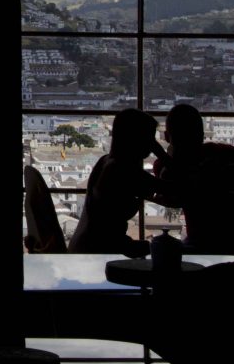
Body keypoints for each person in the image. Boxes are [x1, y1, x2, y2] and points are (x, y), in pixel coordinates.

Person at [152, 103, 234, 252]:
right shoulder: (216, 152)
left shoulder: (163, 166)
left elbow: (172, 197)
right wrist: (229, 171)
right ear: (202, 135)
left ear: (167, 136)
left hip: (200, 240)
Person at [68, 108, 166, 256]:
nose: (152, 143)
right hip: (100, 250)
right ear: (135, 138)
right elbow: (176, 190)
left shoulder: (106, 161)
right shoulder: (123, 169)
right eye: (149, 138)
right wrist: (163, 156)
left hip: (87, 246)